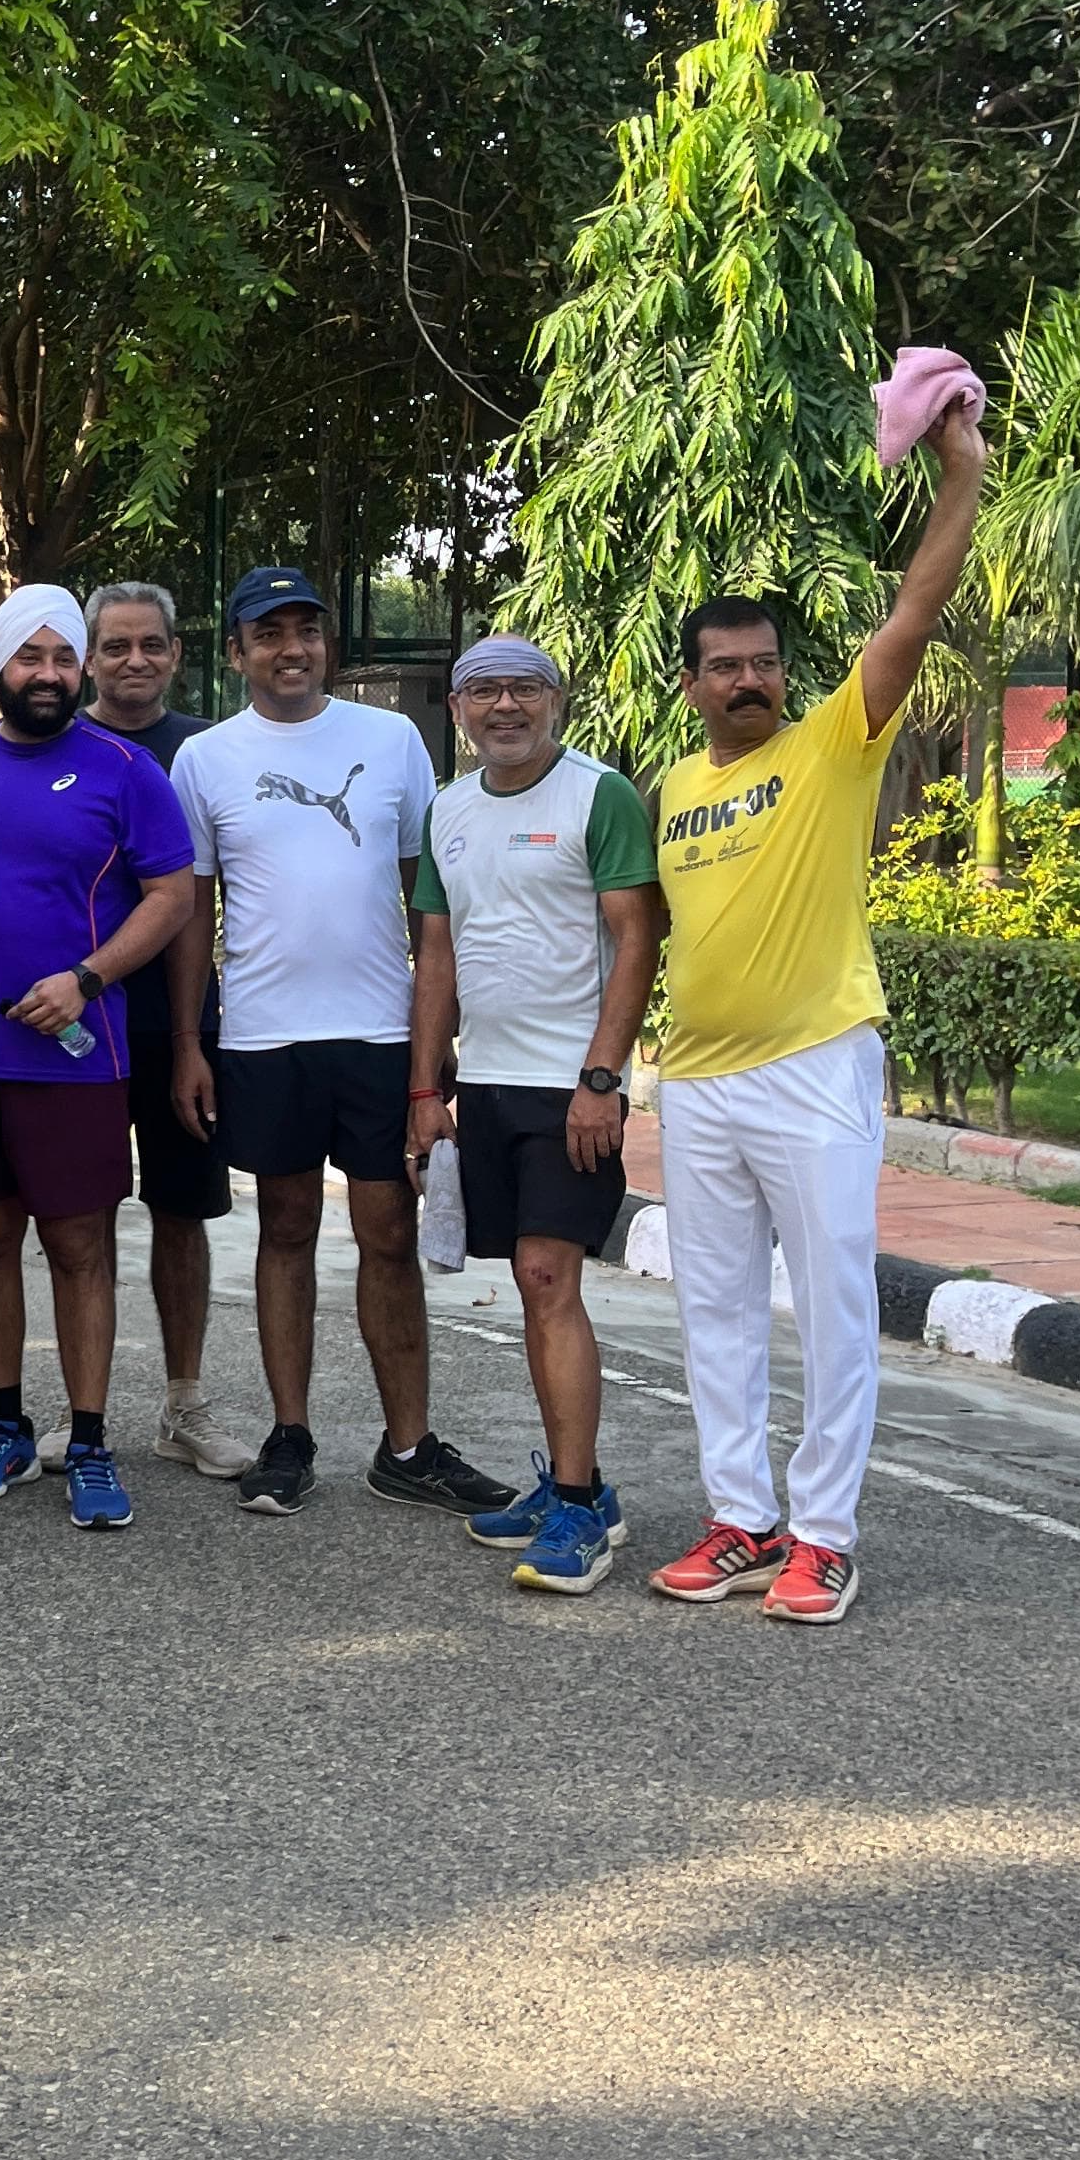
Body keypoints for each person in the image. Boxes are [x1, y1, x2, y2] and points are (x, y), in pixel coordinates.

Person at [646, 396, 988, 1626]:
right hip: (695, 1082)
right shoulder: (673, 784)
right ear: (692, 684)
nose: (750, 681)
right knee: (716, 1313)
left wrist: (960, 474)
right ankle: (741, 1517)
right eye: (727, 667)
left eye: (765, 663)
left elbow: (914, 612)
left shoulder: (835, 742)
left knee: (835, 1305)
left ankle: (824, 1535)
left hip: (817, 1064)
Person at [171, 567, 511, 1521]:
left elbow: (428, 909)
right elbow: (194, 915)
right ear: (236, 651)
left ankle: (408, 1447)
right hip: (263, 1038)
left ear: (327, 643)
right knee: (283, 1231)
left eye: (307, 631)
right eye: (269, 632)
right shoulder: (205, 760)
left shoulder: (393, 739)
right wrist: (192, 1043)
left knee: (388, 1236)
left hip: (377, 1035)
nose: (293, 649)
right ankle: (290, 1438)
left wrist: (431, 1049)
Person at [0, 586, 195, 1528]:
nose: (47, 674)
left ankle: (88, 1439)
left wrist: (86, 977)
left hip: (78, 1054)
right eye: (28, 658)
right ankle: (3, 1425)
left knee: (79, 1246)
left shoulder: (124, 768)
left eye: (62, 658)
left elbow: (172, 897)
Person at [406, 637, 662, 1597]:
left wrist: (603, 1077)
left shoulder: (600, 795)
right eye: (484, 691)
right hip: (489, 1088)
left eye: (524, 689)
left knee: (549, 1275)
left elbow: (636, 939)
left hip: (571, 1087)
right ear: (461, 708)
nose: (503, 706)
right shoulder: (449, 809)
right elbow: (437, 955)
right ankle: (573, 1486)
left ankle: (579, 1509)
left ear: (556, 699)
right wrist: (427, 1089)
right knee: (525, 1281)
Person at [82, 580, 259, 1483]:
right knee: (83, 1217)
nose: (135, 661)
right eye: (116, 646)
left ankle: (184, 1405)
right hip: (77, 1022)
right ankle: (88, 1417)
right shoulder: (54, 740)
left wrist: (192, 1036)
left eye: (151, 644)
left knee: (183, 1209)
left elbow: (205, 898)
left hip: (181, 1019)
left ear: (180, 652)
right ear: (88, 657)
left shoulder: (207, 751)